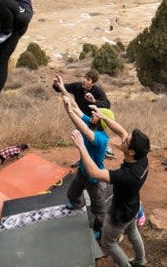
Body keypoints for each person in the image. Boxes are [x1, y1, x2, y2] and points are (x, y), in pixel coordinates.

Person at [70, 110, 150, 267]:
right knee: (133, 232)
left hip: (119, 214)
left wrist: (81, 146)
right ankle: (141, 261)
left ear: (131, 152)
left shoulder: (126, 175)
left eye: (126, 140)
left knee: (109, 244)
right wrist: (103, 117)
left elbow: (94, 172)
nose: (123, 137)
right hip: (133, 207)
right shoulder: (142, 157)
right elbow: (120, 130)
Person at [60, 94, 114, 240]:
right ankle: (78, 205)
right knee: (72, 194)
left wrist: (69, 111)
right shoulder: (91, 123)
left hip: (94, 178)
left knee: (99, 209)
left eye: (96, 115)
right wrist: (63, 91)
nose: (92, 115)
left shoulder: (101, 138)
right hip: (82, 171)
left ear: (101, 121)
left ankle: (98, 228)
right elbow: (77, 108)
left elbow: (83, 130)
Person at [53, 72, 115, 162]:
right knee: (83, 138)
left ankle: (103, 150)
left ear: (92, 83)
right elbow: (63, 88)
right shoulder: (77, 86)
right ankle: (85, 158)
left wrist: (94, 101)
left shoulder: (98, 91)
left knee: (93, 139)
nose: (84, 80)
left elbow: (107, 104)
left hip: (94, 120)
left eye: (88, 79)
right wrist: (57, 85)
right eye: (84, 77)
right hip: (81, 116)